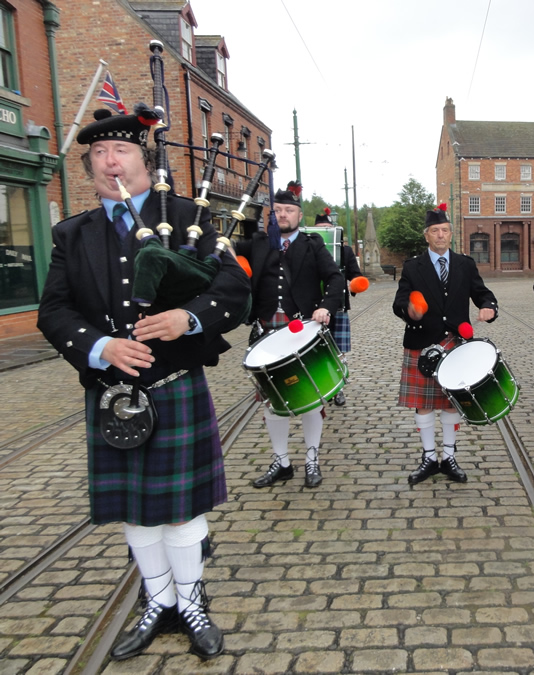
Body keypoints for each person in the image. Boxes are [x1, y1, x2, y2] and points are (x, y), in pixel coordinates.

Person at [37, 107, 251, 661]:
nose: (112, 162)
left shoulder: (188, 217)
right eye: (100, 155)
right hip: (114, 393)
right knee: (136, 509)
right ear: (89, 170)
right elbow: (54, 312)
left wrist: (190, 317)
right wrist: (99, 345)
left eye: (123, 151)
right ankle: (158, 601)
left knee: (180, 508)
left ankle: (191, 599)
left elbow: (233, 293)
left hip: (174, 379)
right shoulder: (71, 234)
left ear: (143, 160)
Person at [234, 184, 344, 489]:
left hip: (302, 332)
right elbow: (224, 253)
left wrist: (325, 307)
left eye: (289, 210)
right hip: (265, 333)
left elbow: (335, 278)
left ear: (299, 214)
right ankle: (281, 462)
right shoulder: (256, 242)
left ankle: (311, 459)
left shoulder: (312, 244)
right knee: (273, 403)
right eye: (278, 211)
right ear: (272, 215)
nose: (283, 215)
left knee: (310, 399)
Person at [393, 203, 498, 484]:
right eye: (435, 231)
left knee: (453, 403)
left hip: (456, 342)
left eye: (445, 230)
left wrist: (489, 307)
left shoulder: (465, 264)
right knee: (424, 405)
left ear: (451, 234)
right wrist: (410, 310)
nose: (440, 235)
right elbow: (400, 301)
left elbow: (482, 293)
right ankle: (429, 458)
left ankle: (449, 456)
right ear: (426, 235)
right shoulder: (412, 267)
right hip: (423, 341)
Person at [311, 208, 365, 407]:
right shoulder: (306, 248)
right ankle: (318, 388)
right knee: (314, 352)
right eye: (319, 230)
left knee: (338, 351)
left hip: (338, 307)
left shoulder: (345, 251)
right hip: (311, 309)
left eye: (327, 229)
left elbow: (354, 274)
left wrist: (355, 283)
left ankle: (338, 389)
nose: (323, 233)